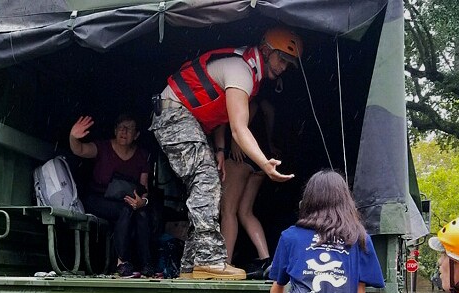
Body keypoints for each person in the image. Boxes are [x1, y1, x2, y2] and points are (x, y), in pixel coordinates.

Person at [151, 26, 301, 280]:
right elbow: (238, 127)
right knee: (207, 182)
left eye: (289, 64)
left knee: (209, 184)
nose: (284, 67)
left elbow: (219, 114)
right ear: (265, 51)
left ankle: (192, 265)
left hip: (188, 119)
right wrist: (264, 163)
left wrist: (219, 150)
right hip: (174, 113)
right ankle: (209, 260)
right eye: (281, 59)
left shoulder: (248, 74)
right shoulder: (241, 70)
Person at [70, 114, 155, 277]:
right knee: (126, 209)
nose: (124, 131)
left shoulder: (142, 156)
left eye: (130, 128)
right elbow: (79, 149)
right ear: (115, 130)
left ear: (136, 135)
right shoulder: (102, 148)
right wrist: (73, 137)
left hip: (126, 201)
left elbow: (144, 188)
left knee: (142, 213)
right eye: (121, 127)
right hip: (98, 200)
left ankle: (147, 265)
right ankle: (121, 263)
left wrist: (142, 202)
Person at [217, 98, 278, 277]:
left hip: (240, 157)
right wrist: (270, 143)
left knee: (228, 211)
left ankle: (225, 263)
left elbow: (242, 118)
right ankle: (265, 259)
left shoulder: (243, 98)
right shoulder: (265, 104)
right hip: (259, 161)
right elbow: (268, 115)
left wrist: (236, 142)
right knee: (245, 212)